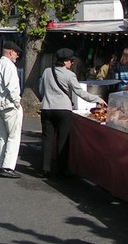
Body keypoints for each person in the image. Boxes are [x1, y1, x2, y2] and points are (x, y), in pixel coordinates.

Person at [39, 48, 107, 179]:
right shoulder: (69, 75)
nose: (71, 63)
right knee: (62, 140)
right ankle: (61, 169)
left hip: (46, 108)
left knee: (47, 139)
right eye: (71, 61)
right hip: (63, 109)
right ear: (65, 62)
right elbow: (80, 93)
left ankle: (45, 168)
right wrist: (97, 99)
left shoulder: (47, 71)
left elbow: (42, 89)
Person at [0, 41, 24, 178]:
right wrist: (17, 101)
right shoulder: (8, 66)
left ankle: (1, 163)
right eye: (16, 53)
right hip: (9, 105)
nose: (17, 56)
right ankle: (7, 167)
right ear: (10, 52)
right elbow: (12, 86)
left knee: (3, 136)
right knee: (13, 136)